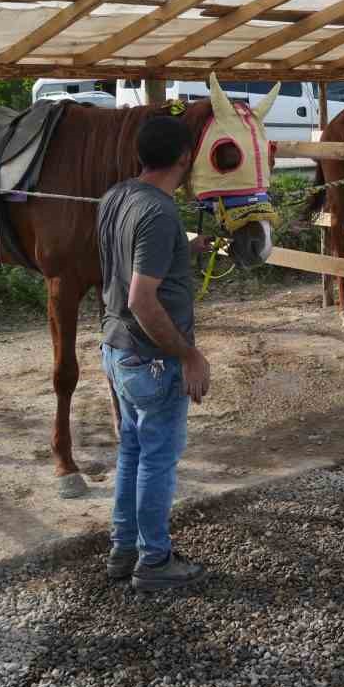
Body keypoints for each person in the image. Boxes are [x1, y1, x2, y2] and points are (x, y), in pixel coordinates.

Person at [98, 114, 213, 591]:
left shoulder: (116, 196)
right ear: (186, 158)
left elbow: (129, 257)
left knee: (132, 450)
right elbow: (141, 298)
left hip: (116, 349)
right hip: (154, 359)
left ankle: (124, 549)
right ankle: (155, 561)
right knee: (158, 460)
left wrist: (188, 249)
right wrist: (189, 356)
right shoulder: (161, 213)